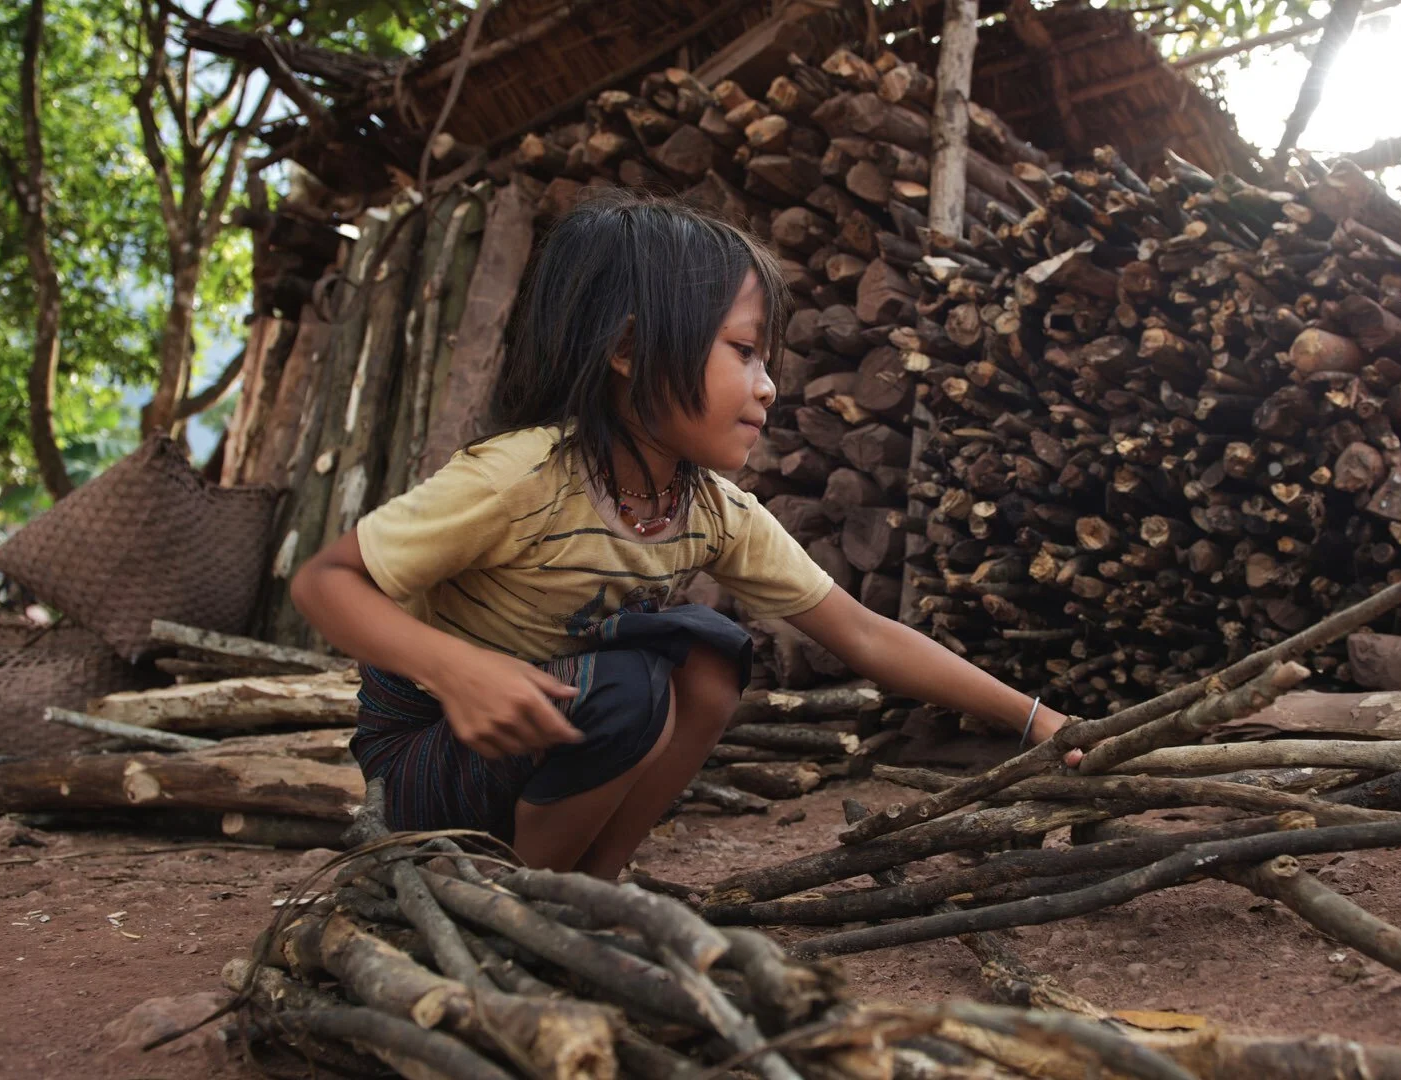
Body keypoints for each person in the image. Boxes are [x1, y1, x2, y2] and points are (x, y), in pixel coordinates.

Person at [291, 192, 1078, 879]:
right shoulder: (521, 478)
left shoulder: (710, 511)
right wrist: (458, 670)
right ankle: (507, 895)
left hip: (544, 745)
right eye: (743, 352)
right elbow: (324, 583)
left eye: (767, 361)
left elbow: (865, 634)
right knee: (628, 685)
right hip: (432, 754)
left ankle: (592, 881)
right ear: (629, 348)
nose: (768, 386)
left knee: (707, 649)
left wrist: (1037, 720)